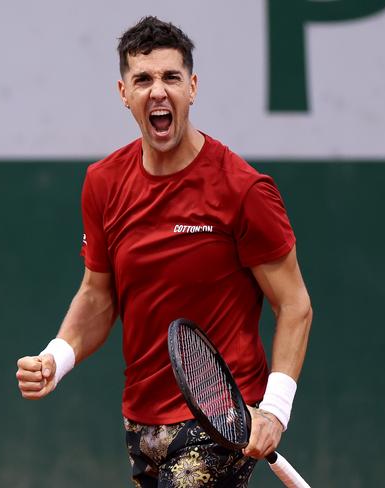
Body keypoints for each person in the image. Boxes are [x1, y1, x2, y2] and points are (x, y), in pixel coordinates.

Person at [16, 16, 312, 487]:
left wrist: (274, 409)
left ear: (192, 88)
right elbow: (98, 295)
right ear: (123, 92)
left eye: (171, 77)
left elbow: (294, 304)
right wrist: (57, 356)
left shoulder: (243, 189)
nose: (158, 91)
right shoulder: (103, 183)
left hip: (220, 420)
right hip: (141, 417)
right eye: (144, 79)